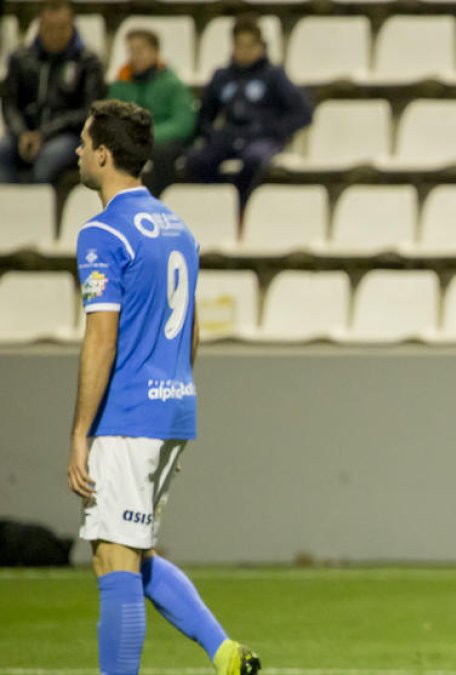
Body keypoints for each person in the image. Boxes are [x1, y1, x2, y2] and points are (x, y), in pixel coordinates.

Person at [66, 99, 260, 675]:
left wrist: (80, 432)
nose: (76, 151)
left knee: (112, 560)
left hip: (127, 417)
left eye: (82, 142)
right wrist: (174, 394)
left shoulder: (102, 233)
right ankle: (224, 652)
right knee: (135, 550)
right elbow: (193, 329)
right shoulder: (177, 229)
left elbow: (101, 340)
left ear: (103, 155)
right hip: (174, 407)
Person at [185, 15, 311, 208]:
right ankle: (219, 206)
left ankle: (244, 208)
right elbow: (205, 116)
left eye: (249, 46)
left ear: (261, 46)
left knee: (253, 159)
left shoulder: (274, 76)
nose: (244, 52)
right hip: (229, 137)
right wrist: (214, 134)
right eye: (239, 45)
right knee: (196, 160)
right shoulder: (222, 76)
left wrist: (274, 130)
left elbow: (302, 113)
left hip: (263, 138)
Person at [0, 0, 105, 184]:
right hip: (25, 133)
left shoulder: (88, 62)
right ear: (39, 26)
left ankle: (37, 210)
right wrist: (22, 133)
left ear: (72, 26)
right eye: (50, 27)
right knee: (3, 152)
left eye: (62, 27)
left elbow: (88, 110)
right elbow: (10, 105)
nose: (56, 34)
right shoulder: (20, 59)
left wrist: (45, 133)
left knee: (47, 160)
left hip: (68, 136)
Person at [108, 29, 196, 196]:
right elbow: (110, 119)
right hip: (128, 140)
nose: (135, 55)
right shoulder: (121, 85)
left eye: (140, 50)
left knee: (163, 153)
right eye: (131, 50)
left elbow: (183, 124)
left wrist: (147, 135)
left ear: (156, 51)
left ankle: (158, 202)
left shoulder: (173, 84)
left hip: (161, 140)